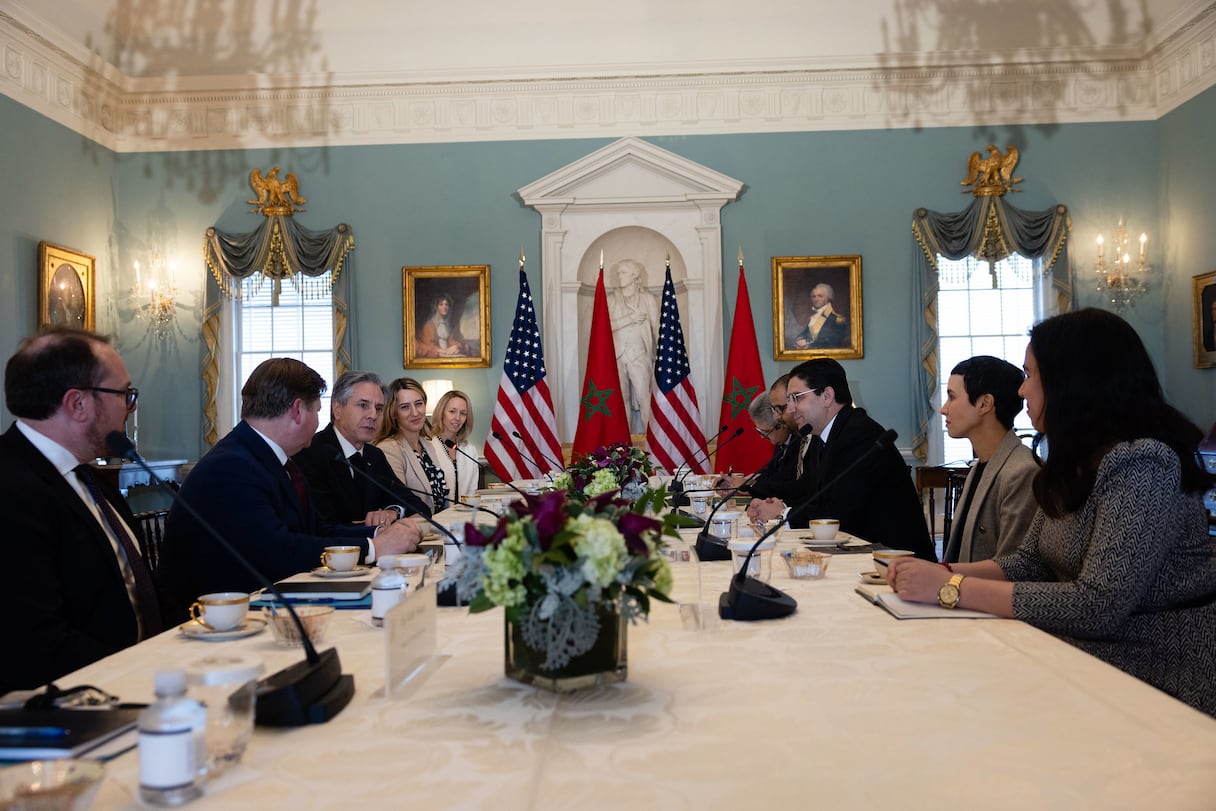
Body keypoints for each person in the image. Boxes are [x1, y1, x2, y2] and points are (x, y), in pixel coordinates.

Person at [887, 309, 1216, 716]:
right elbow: (1029, 562)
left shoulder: (1144, 463)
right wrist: (940, 572)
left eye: (1029, 374)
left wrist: (949, 588)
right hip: (1091, 654)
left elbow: (1098, 607)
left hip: (1158, 671)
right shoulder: (1073, 459)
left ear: (1072, 380)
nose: (1022, 390)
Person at [159, 359, 421, 616]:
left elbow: (317, 529)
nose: (319, 422)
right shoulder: (232, 466)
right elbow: (278, 551)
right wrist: (375, 547)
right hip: (216, 622)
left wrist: (380, 532)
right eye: (317, 411)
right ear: (297, 410)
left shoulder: (265, 456)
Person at [1, 328, 162, 692]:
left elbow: (136, 589)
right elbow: (33, 641)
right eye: (125, 394)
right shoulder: (10, 489)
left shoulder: (89, 476)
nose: (130, 407)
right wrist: (144, 672)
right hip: (76, 704)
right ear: (78, 404)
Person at [747, 358, 935, 560]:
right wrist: (780, 507)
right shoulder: (828, 435)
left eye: (796, 398)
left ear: (827, 396)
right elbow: (817, 497)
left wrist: (783, 514)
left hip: (897, 562)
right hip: (863, 551)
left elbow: (840, 515)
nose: (790, 409)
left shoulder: (859, 435)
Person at [291, 371, 430, 527]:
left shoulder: (374, 456)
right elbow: (324, 528)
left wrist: (394, 511)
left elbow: (419, 507)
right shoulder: (311, 454)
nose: (373, 415)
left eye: (378, 408)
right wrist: (375, 529)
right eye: (363, 405)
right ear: (337, 409)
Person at [940, 356, 1039, 563]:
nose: (944, 409)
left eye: (952, 397)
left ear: (984, 403)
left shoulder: (1022, 471)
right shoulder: (979, 466)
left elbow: (1011, 569)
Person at [375, 378, 448, 514]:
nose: (415, 412)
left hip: (440, 528)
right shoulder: (388, 449)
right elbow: (399, 503)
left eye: (418, 404)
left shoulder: (428, 444)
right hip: (415, 530)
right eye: (405, 407)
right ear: (393, 413)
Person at [606, 258, 659, 432]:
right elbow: (605, 326)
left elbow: (657, 327)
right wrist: (630, 319)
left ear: (634, 275)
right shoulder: (612, 299)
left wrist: (661, 356)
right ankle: (624, 447)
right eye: (618, 272)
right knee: (622, 401)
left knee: (645, 398)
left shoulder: (647, 299)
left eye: (623, 272)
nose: (619, 276)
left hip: (639, 354)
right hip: (617, 355)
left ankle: (652, 440)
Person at [426, 388, 480, 504]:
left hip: (464, 516)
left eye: (463, 413)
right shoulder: (428, 447)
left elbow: (472, 492)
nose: (457, 418)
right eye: (452, 411)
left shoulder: (470, 451)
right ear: (441, 413)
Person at [793, 283, 848, 349]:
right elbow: (803, 334)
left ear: (828, 298)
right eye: (814, 296)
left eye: (820, 296)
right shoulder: (813, 318)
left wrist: (809, 345)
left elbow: (834, 343)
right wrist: (800, 340)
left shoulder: (838, 320)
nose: (816, 299)